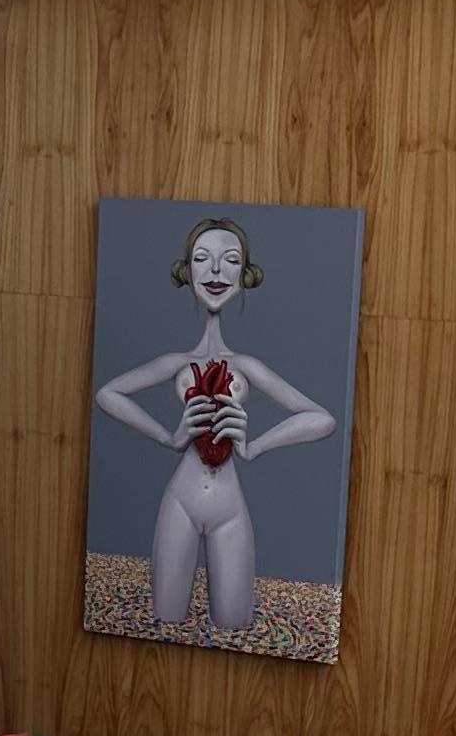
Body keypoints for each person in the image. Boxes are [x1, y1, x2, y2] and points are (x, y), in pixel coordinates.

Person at [93, 218, 336, 635]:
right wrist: (171, 437)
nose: (217, 271)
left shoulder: (248, 366)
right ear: (187, 271)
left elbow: (322, 418)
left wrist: (253, 445)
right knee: (166, 621)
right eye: (203, 259)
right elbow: (107, 394)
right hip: (180, 501)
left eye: (231, 260)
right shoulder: (176, 362)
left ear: (245, 275)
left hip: (230, 507)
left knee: (234, 624)